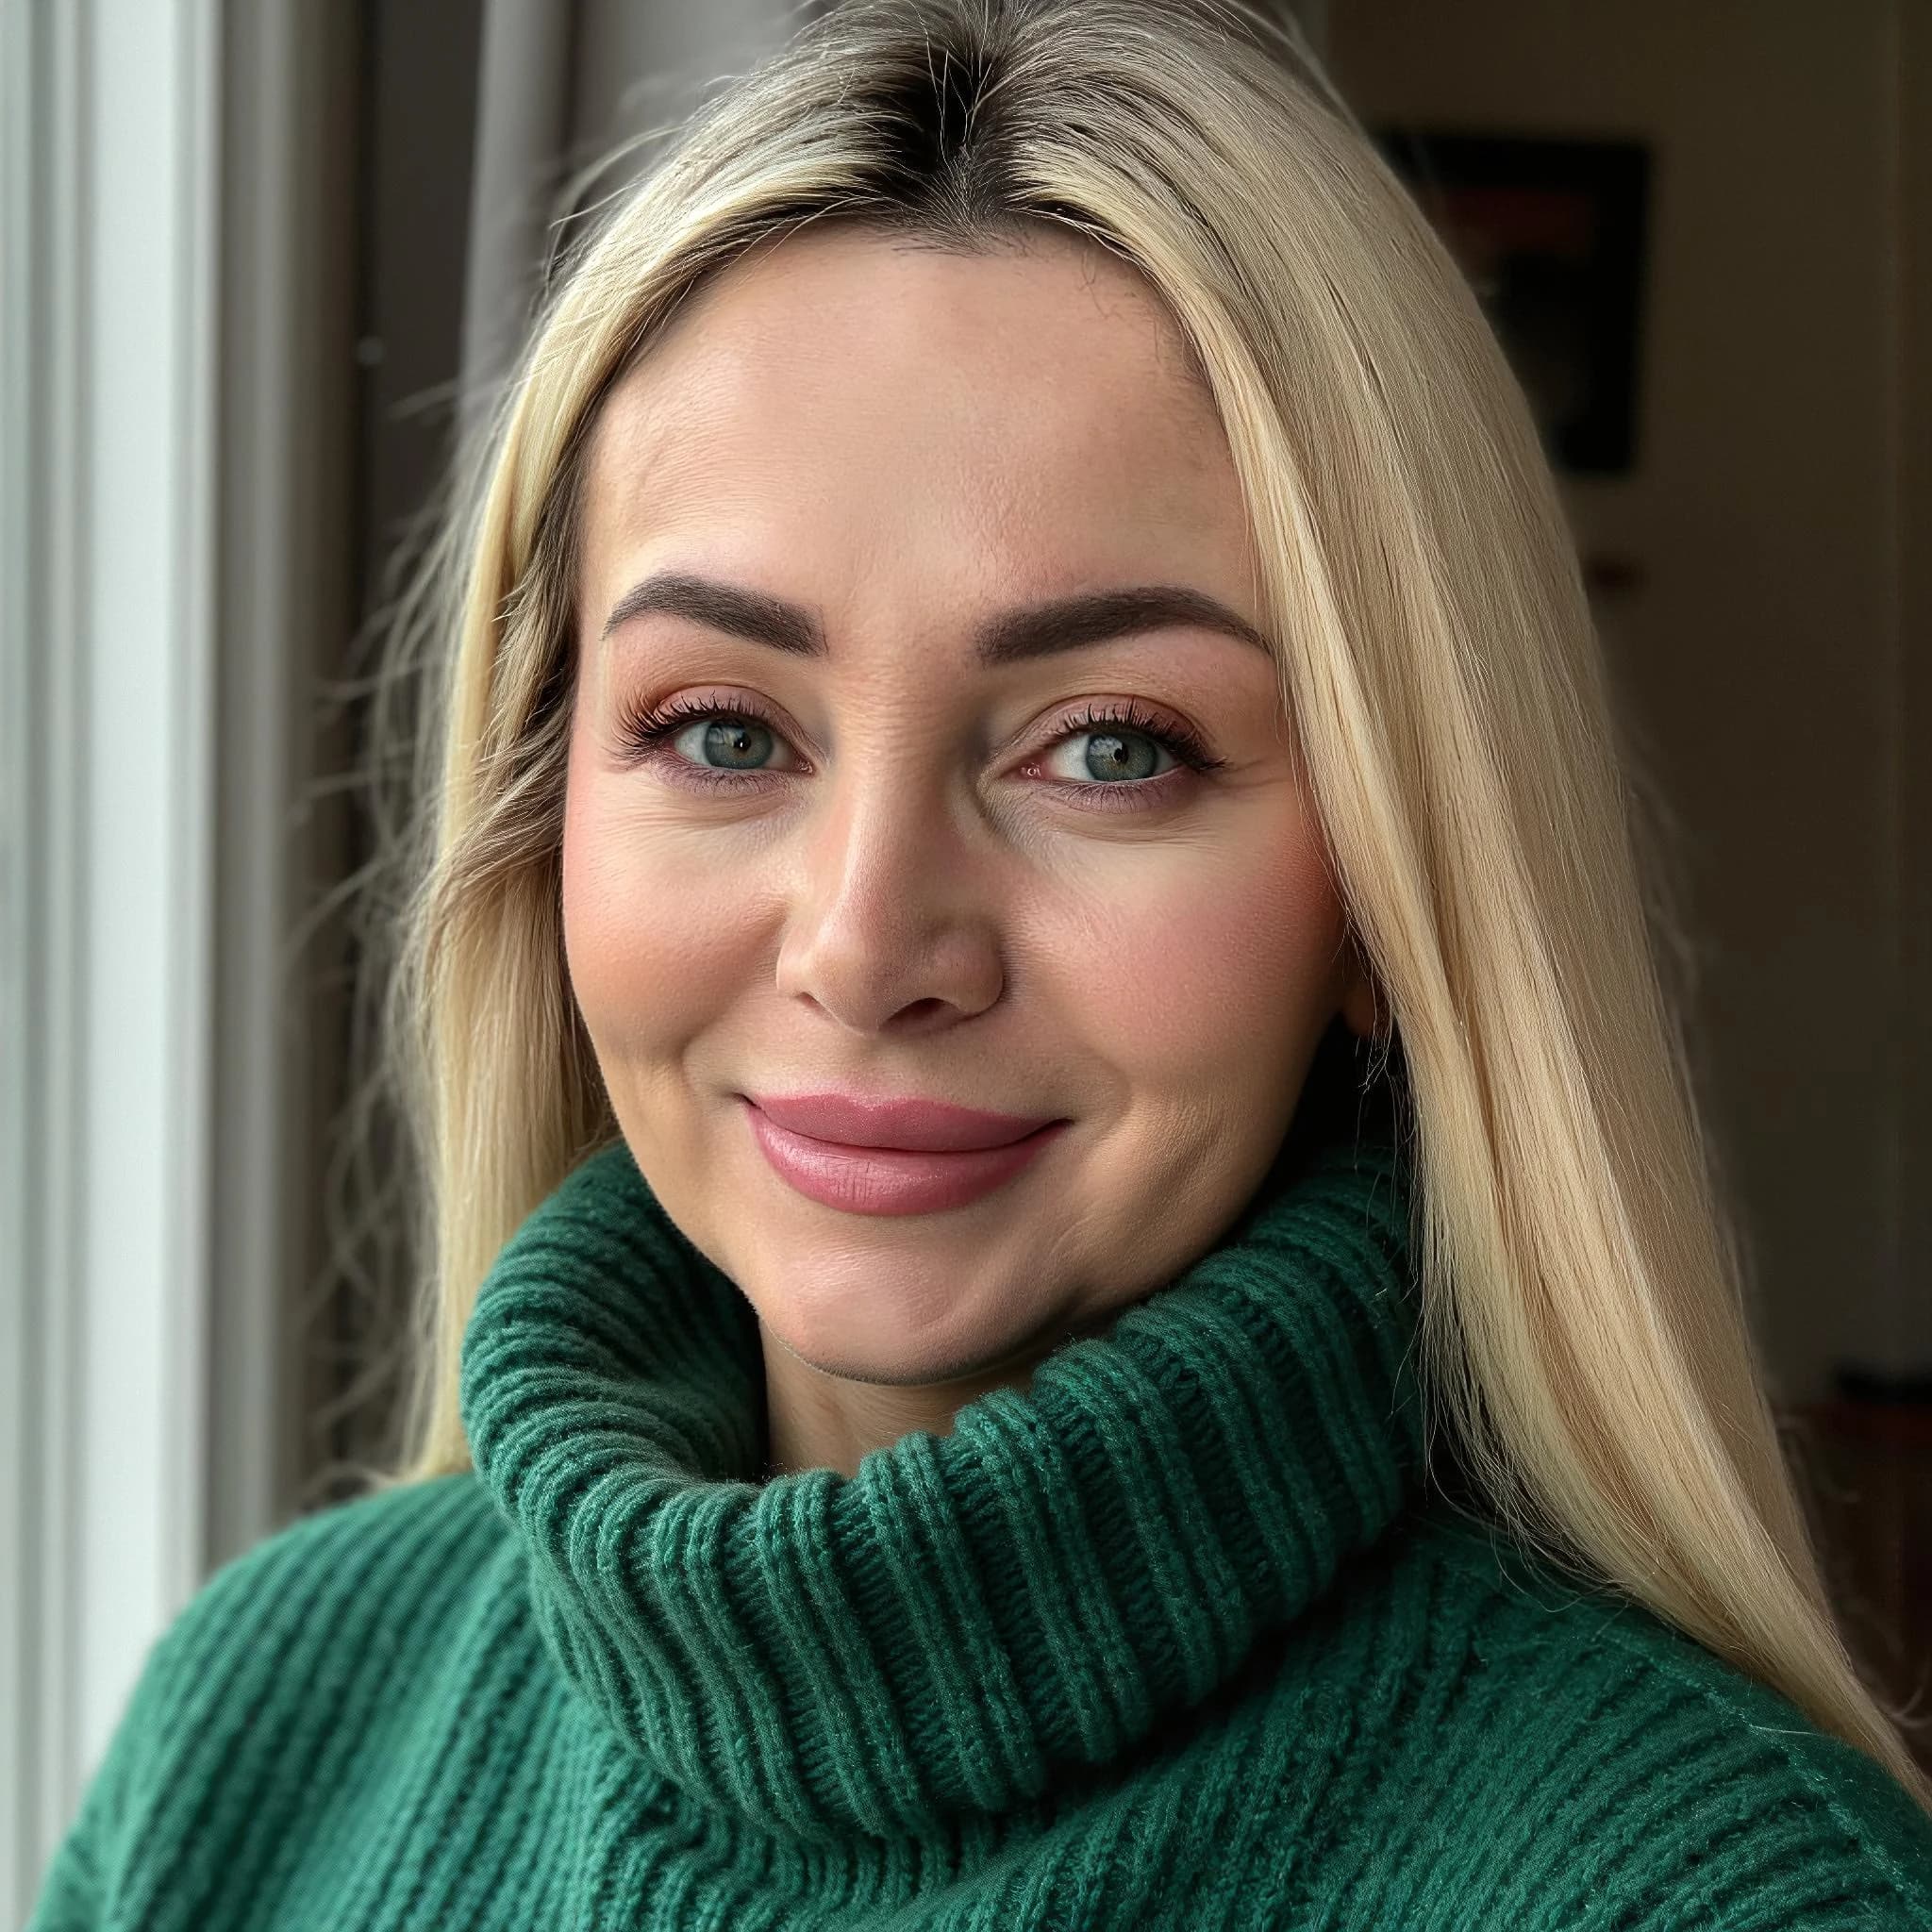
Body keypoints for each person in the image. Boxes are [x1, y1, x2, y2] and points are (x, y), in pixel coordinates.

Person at [30, 0, 1932, 1924]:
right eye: (721, 730)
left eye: (1112, 745)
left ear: (1389, 885)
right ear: (541, 809)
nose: (866, 946)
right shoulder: (260, 1738)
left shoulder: (1721, 1895)